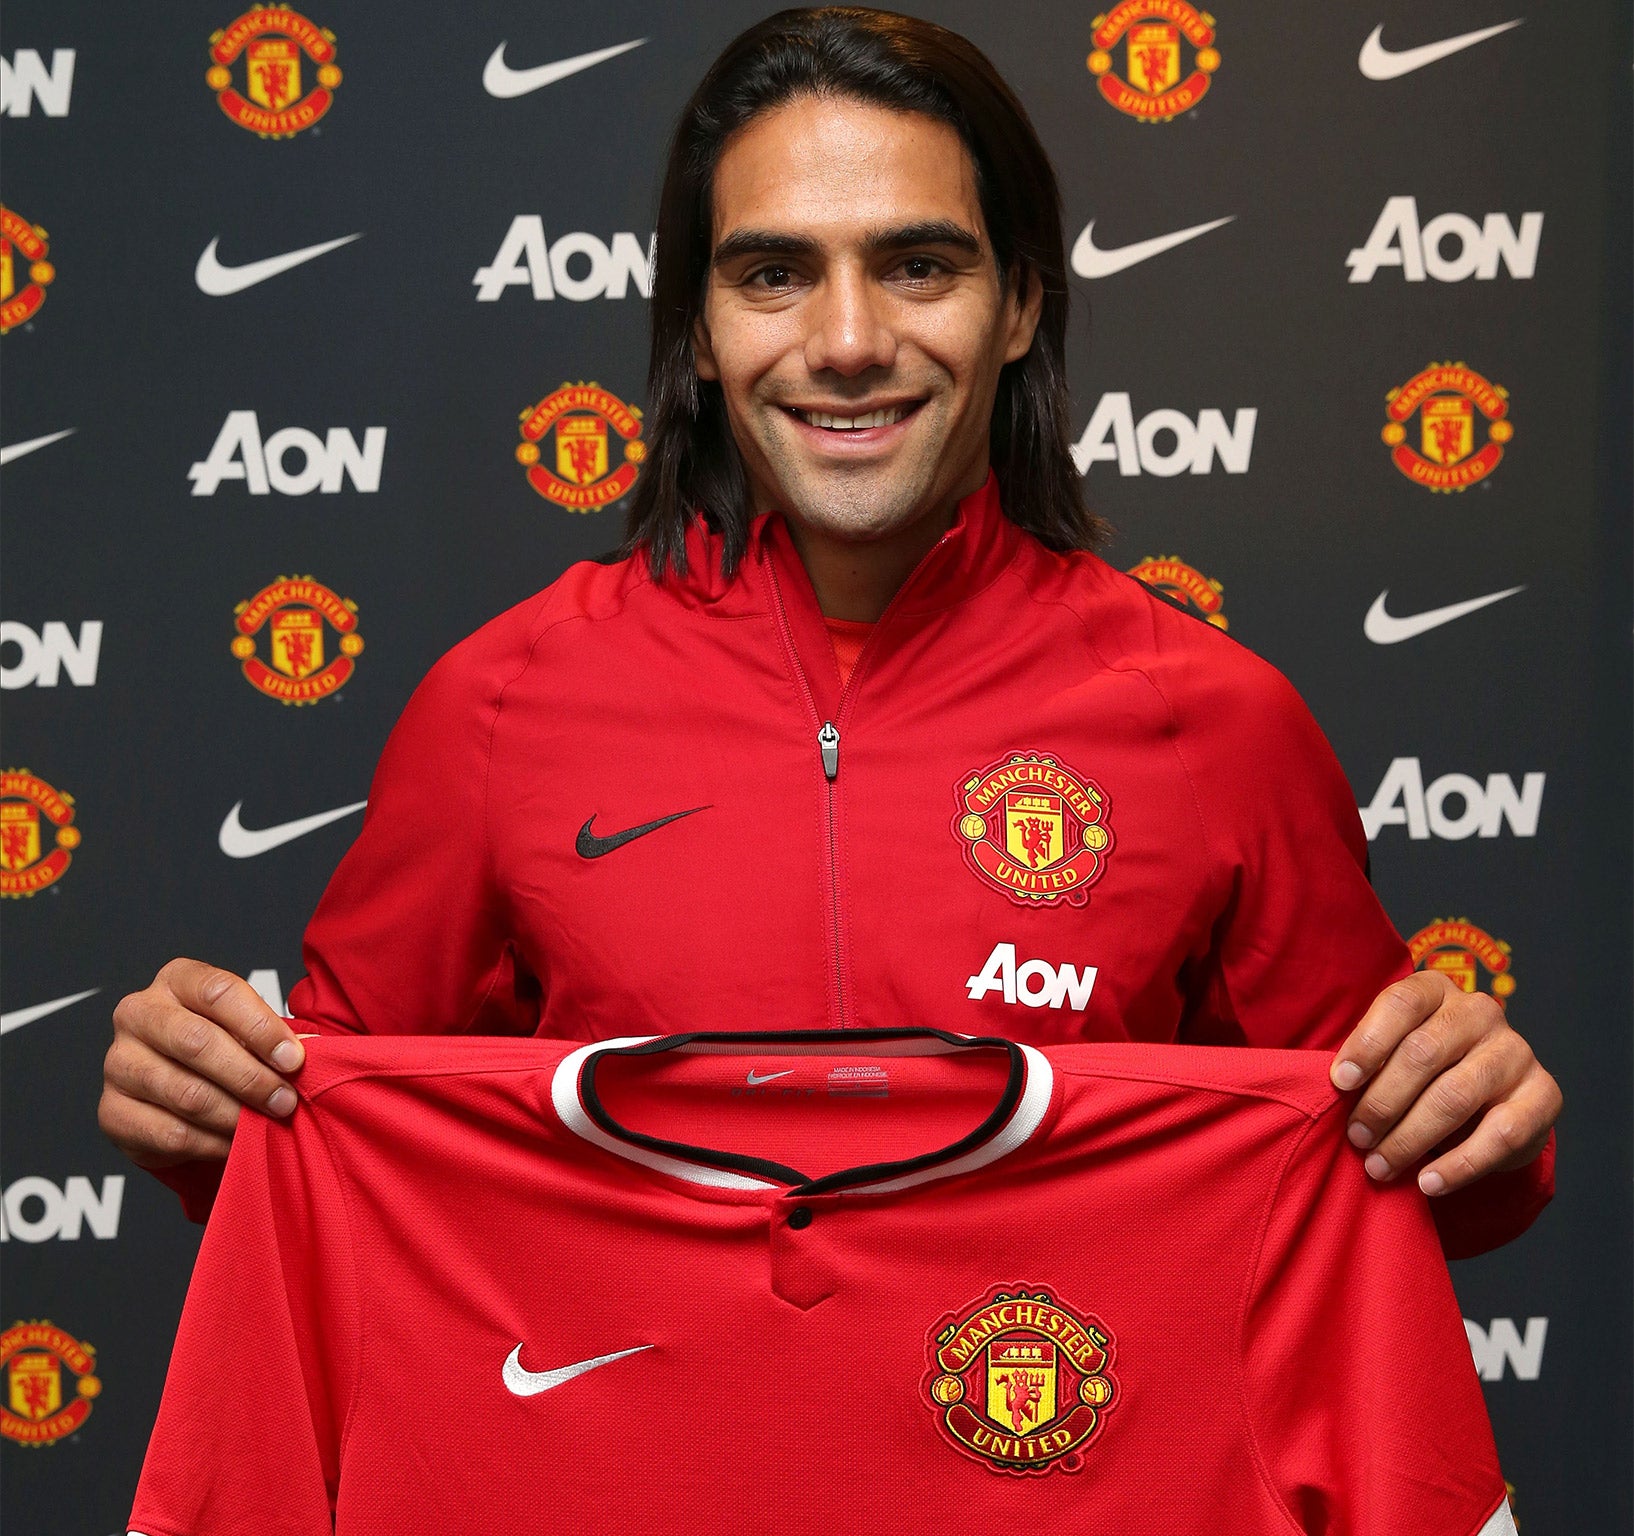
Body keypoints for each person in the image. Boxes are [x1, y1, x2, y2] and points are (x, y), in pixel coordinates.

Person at [99, 8, 1557, 1249]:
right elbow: (317, 1155)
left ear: (1020, 306)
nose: (847, 340)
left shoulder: (1213, 720)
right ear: (701, 329)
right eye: (772, 273)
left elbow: (1402, 1187)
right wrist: (198, 1102)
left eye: (917, 264)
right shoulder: (504, 701)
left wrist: (1478, 1122)